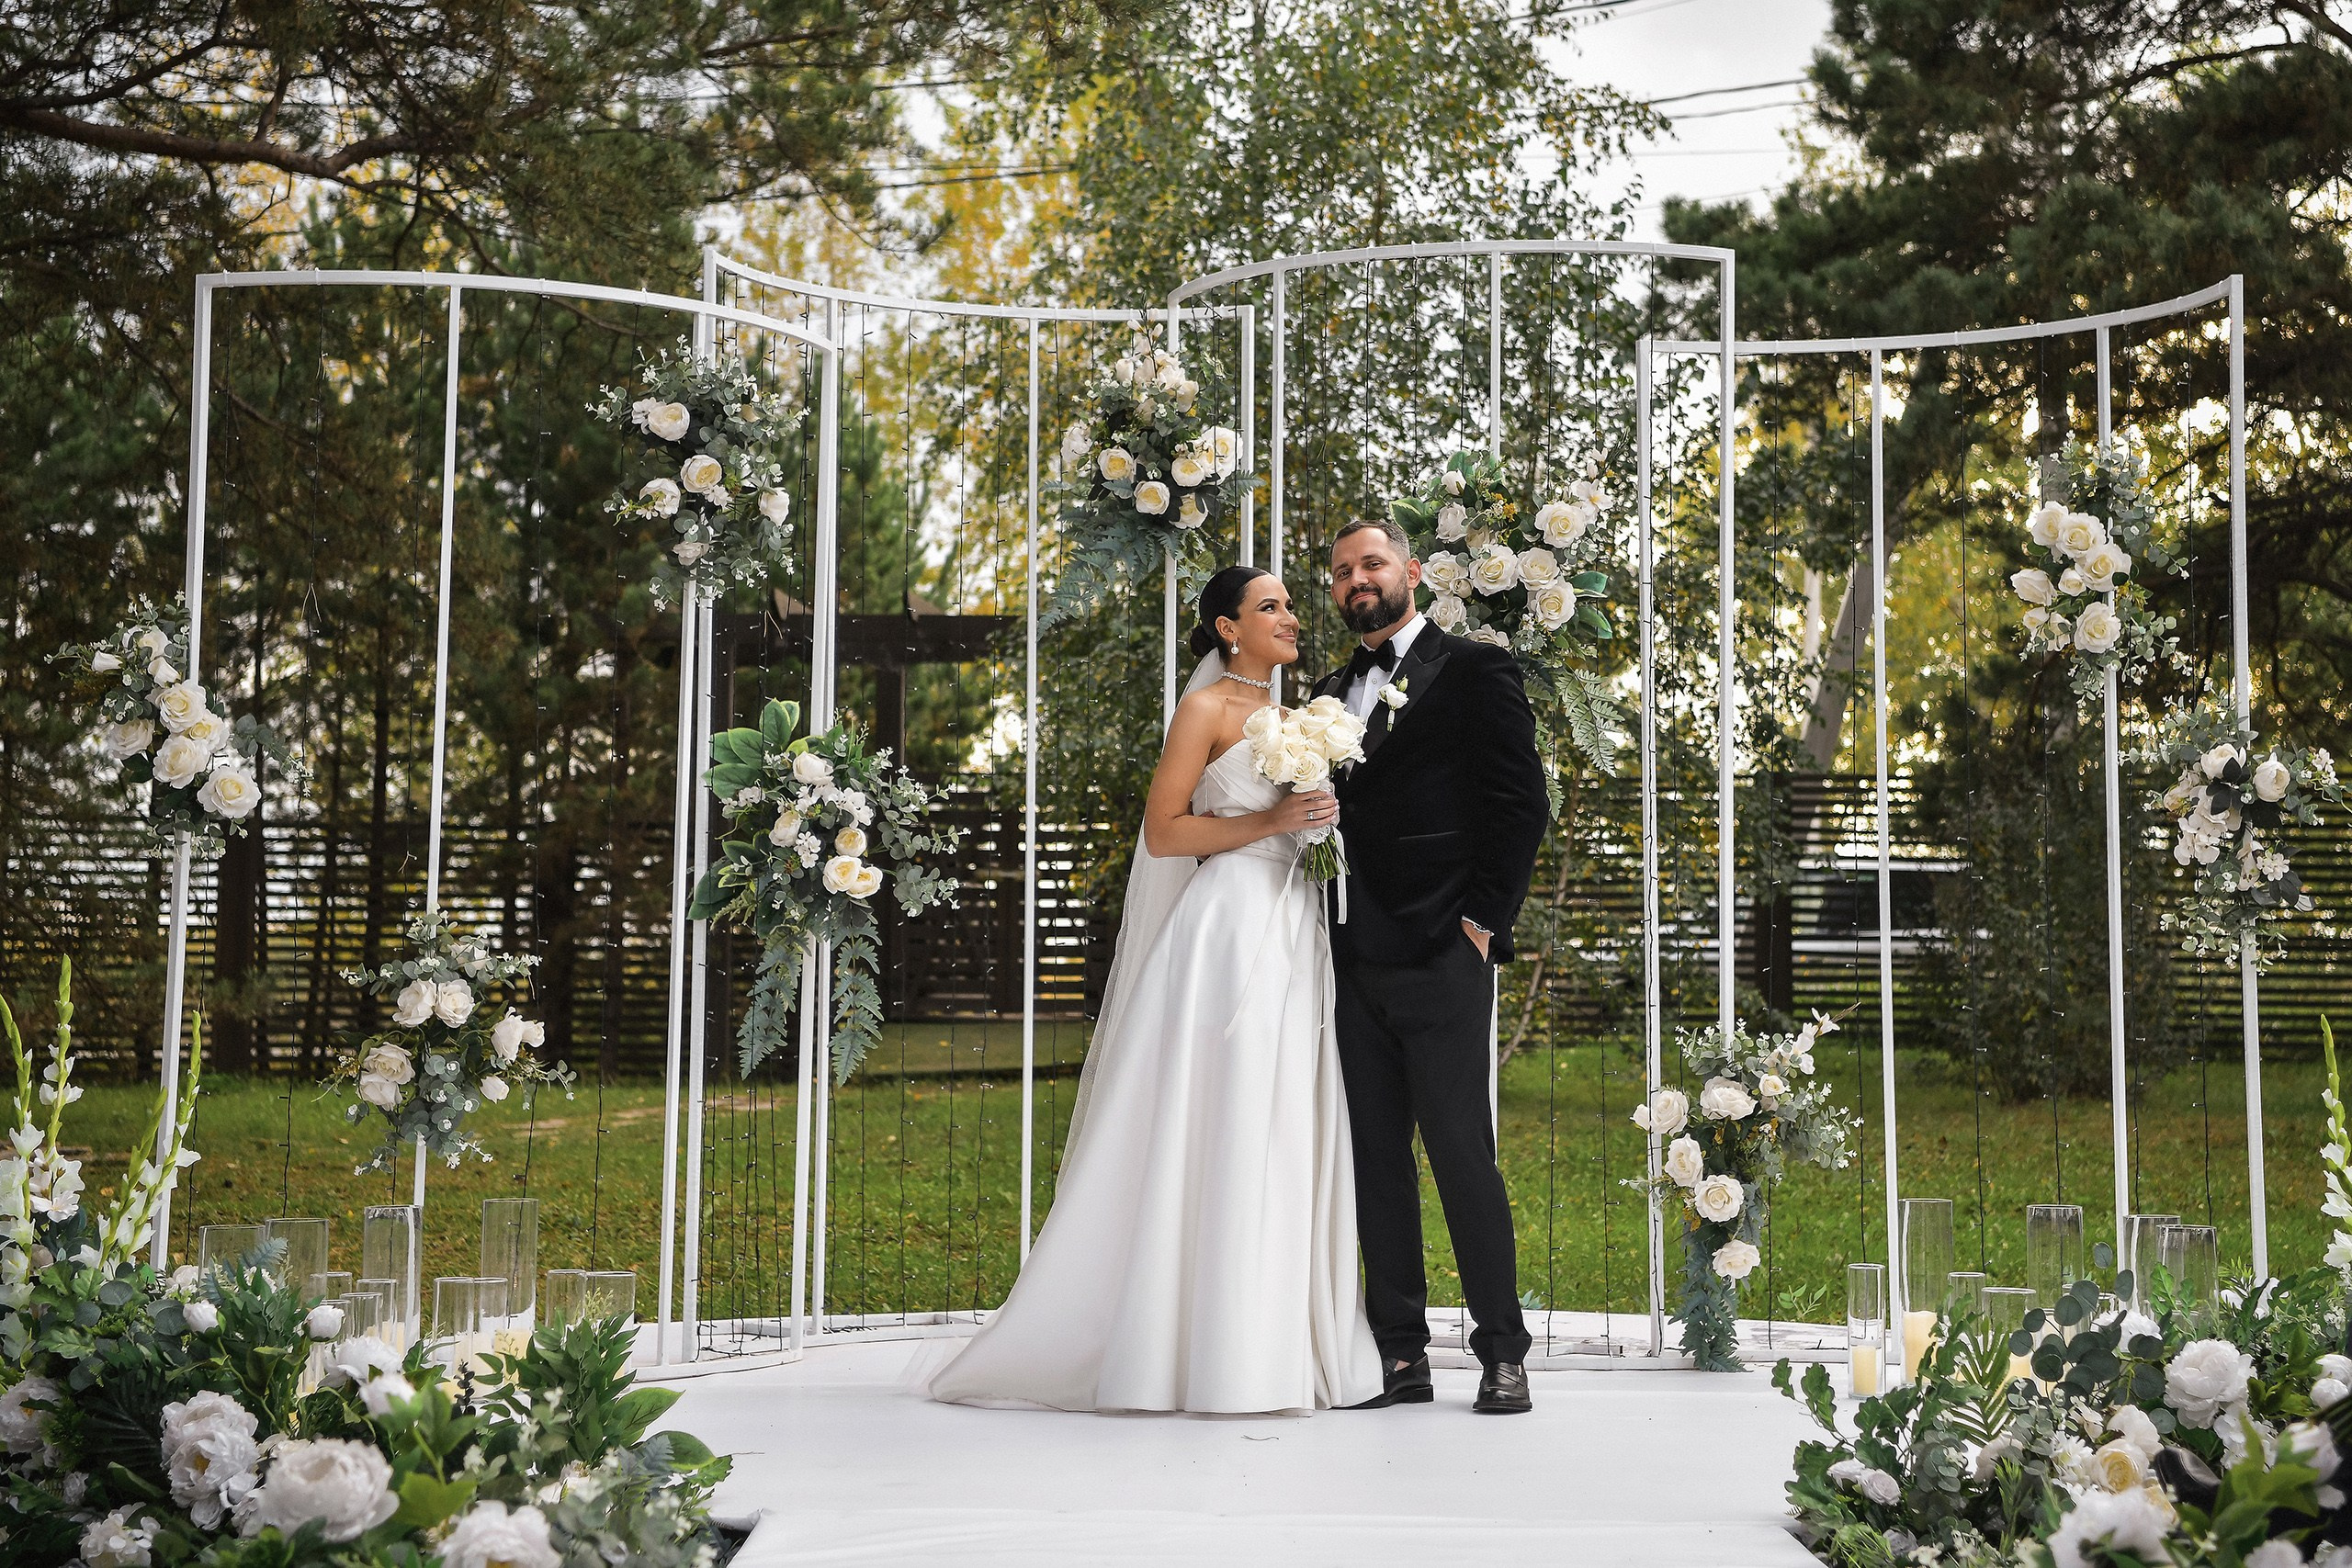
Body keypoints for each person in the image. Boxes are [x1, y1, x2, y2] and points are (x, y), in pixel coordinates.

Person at [924, 565, 1383, 1414]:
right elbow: (1165, 833)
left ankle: (1269, 1340)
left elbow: (1303, 829)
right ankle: (1194, 1349)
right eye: (1270, 607)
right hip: (1227, 930)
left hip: (1295, 928)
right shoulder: (1203, 710)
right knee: (1226, 1110)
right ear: (1227, 628)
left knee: (1286, 1117)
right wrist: (1273, 821)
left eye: (1290, 605)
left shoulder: (1301, 718)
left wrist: (1318, 829)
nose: (1290, 617)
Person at [1310, 517, 1550, 1416]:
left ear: (1411, 570)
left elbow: (1520, 803)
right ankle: (1400, 1354)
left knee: (1460, 1153)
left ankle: (1503, 1352)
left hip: (1444, 953)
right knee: (1376, 1160)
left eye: (1371, 563)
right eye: (1342, 571)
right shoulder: (1326, 694)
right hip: (1350, 957)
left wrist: (1482, 923)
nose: (1357, 580)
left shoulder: (1476, 669)